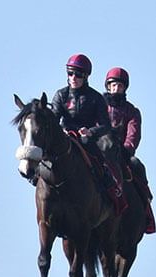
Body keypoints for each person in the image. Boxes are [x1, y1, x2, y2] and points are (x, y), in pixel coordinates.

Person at [51, 54, 126, 214]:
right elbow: (54, 119)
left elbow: (105, 125)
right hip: (67, 138)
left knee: (102, 163)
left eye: (78, 75)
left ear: (85, 76)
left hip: (88, 141)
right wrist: (61, 131)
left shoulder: (96, 98)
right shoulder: (60, 95)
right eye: (70, 73)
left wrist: (90, 132)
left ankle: (112, 192)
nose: (73, 78)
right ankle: (36, 177)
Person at [103, 67, 153, 203]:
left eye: (120, 86)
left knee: (137, 165)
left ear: (124, 88)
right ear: (108, 87)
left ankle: (145, 202)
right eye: (114, 85)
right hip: (100, 149)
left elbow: (133, 135)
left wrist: (126, 150)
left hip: (121, 152)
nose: (116, 88)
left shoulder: (132, 111)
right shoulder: (99, 106)